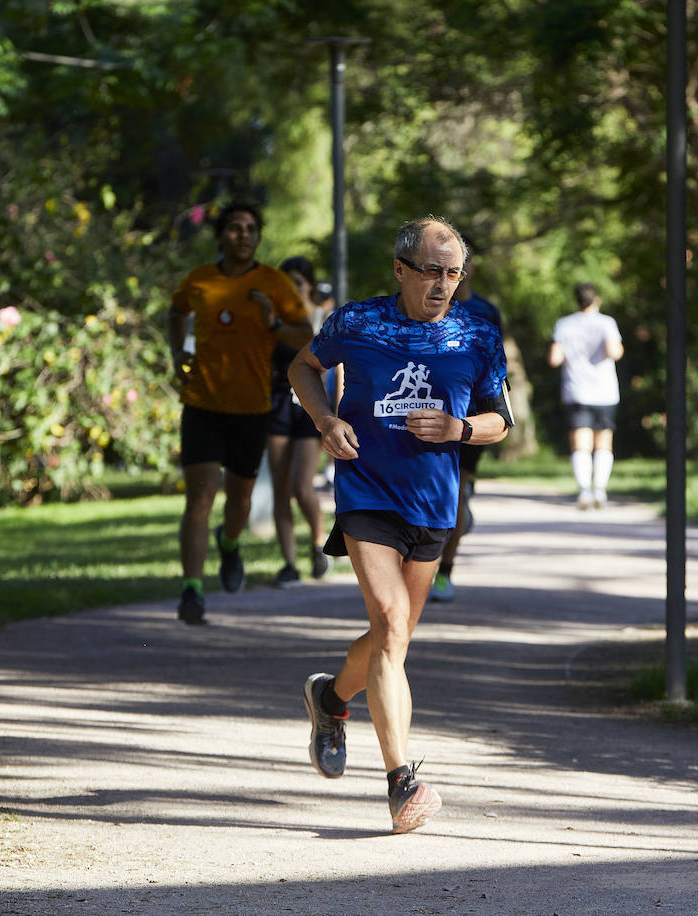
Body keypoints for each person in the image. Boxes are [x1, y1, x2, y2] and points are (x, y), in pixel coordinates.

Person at [288, 216, 512, 834]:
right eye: (431, 272)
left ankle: (330, 700)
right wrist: (326, 422)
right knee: (389, 624)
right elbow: (301, 367)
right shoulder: (355, 323)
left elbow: (500, 420)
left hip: (434, 504)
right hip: (366, 491)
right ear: (401, 270)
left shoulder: (478, 335)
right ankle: (401, 783)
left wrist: (459, 429)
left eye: (453, 273)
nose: (443, 284)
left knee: (395, 638)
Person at [168, 202, 313, 624]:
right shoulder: (199, 281)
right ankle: (191, 591)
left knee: (241, 499)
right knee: (200, 496)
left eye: (251, 228)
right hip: (202, 404)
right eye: (235, 228)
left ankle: (229, 544)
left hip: (252, 408)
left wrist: (272, 323)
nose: (243, 235)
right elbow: (177, 312)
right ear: (221, 236)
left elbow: (305, 334)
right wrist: (178, 352)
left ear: (258, 236)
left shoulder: (274, 282)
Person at [428, 248, 502, 603]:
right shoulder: (422, 306)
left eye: (460, 265)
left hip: (470, 419)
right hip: (425, 415)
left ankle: (444, 571)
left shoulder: (486, 313)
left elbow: (496, 372)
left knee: (456, 496)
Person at [266, 255, 331, 587]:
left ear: (310, 284)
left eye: (298, 281)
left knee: (301, 484)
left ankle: (318, 543)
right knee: (280, 487)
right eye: (286, 281)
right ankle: (289, 562)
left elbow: (335, 366)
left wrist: (335, 410)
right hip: (277, 402)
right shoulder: (273, 319)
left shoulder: (321, 317)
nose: (292, 287)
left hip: (311, 404)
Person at [548, 282, 624, 510]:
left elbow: (554, 358)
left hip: (576, 390)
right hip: (605, 391)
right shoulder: (606, 323)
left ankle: (584, 491)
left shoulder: (564, 324)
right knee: (603, 442)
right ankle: (600, 490)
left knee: (580, 443)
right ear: (596, 299)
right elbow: (615, 352)